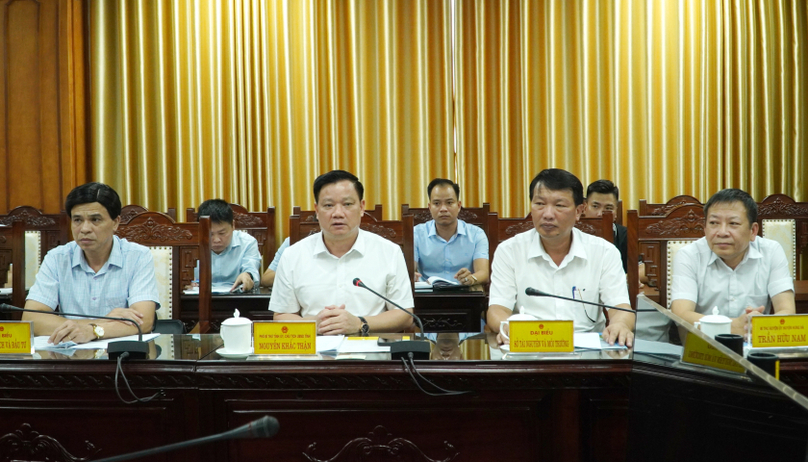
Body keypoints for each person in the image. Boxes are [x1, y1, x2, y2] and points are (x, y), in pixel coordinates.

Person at [486, 168, 635, 346]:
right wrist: (509, 325)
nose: (547, 214)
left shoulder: (604, 252)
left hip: (587, 353)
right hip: (530, 348)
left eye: (559, 205)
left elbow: (621, 308)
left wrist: (620, 324)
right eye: (539, 204)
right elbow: (497, 309)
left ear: (579, 211)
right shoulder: (509, 251)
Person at [269, 170, 414, 335]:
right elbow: (281, 315)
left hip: (372, 353)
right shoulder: (292, 255)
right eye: (328, 205)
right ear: (316, 210)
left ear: (361, 207)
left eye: (347, 204)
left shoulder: (390, 252)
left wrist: (360, 323)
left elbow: (405, 314)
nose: (338, 213)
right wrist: (310, 325)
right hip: (314, 354)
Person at [23, 182, 160, 345]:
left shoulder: (138, 256)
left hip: (120, 359)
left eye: (95, 219)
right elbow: (31, 318)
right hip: (68, 358)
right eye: (77, 220)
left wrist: (93, 331)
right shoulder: (57, 258)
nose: (85, 229)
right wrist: (100, 324)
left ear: (115, 222)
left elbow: (143, 322)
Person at [670, 189, 795, 335]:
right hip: (703, 350)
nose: (722, 232)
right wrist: (730, 327)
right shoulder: (689, 255)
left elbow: (787, 311)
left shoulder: (771, 251)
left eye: (733, 223)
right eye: (714, 223)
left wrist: (762, 325)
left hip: (755, 348)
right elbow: (681, 314)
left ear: (753, 231)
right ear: (704, 228)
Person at [413, 178, 489, 286]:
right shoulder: (416, 233)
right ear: (429, 207)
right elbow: (410, 269)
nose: (443, 209)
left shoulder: (476, 234)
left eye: (449, 203)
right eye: (437, 203)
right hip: (427, 295)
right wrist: (410, 275)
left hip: (465, 295)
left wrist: (471, 278)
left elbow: (484, 272)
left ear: (458, 206)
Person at [584, 179, 648, 285]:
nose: (600, 214)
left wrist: (619, 278)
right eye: (595, 206)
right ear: (585, 207)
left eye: (608, 208)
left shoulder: (626, 235)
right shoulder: (572, 234)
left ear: (616, 212)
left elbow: (645, 270)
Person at [197, 199, 262, 292]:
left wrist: (247, 275)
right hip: (197, 299)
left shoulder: (247, 243)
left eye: (222, 233)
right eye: (209, 234)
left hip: (236, 299)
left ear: (233, 225)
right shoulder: (188, 245)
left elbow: (251, 267)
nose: (216, 240)